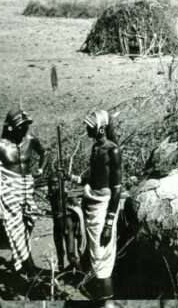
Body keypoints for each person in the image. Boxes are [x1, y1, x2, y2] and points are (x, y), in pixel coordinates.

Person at [0, 109, 47, 276]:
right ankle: (31, 271)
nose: (24, 130)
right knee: (16, 227)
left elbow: (44, 153)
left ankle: (20, 260)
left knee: (28, 223)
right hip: (8, 192)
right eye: (21, 127)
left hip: (27, 189)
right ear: (10, 128)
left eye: (26, 127)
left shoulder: (30, 140)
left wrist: (40, 169)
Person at [69, 110, 123, 300]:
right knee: (95, 255)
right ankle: (98, 296)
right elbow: (93, 178)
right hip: (92, 204)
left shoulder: (113, 151)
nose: (86, 129)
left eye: (90, 127)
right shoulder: (95, 149)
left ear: (100, 129)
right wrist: (71, 177)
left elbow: (116, 189)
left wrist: (108, 224)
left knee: (102, 258)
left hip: (103, 207)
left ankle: (106, 301)